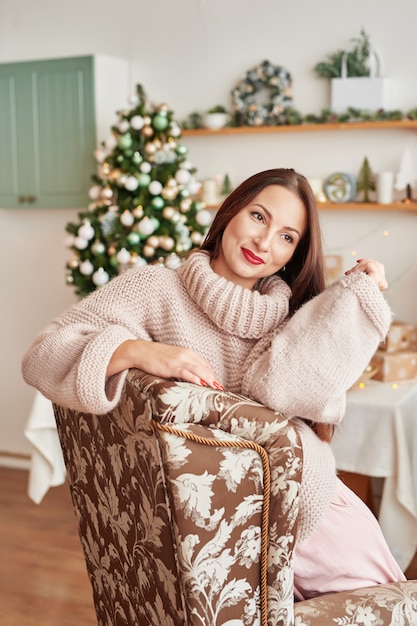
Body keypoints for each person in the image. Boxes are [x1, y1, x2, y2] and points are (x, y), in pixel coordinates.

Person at [22, 167, 406, 599]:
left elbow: (286, 393)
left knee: (391, 604)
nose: (264, 242)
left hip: (311, 507)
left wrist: (359, 293)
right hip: (216, 535)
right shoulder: (156, 289)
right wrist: (136, 350)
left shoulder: (293, 321)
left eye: (286, 236)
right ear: (230, 213)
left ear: (293, 255)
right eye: (259, 217)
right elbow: (44, 353)